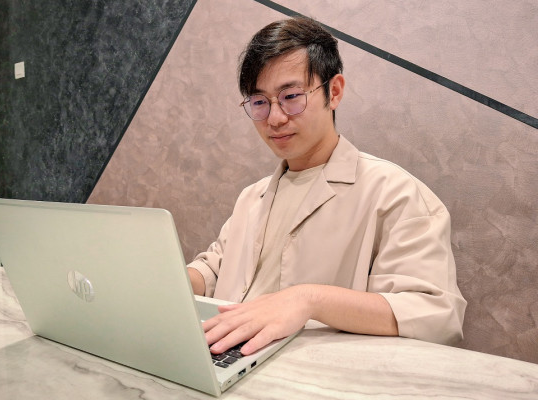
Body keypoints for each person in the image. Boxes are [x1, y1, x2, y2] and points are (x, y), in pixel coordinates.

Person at [187, 16, 466, 357]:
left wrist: (308, 299)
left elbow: (437, 314)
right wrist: (172, 279)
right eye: (259, 102)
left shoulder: (394, 193)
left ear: (333, 92)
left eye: (291, 96)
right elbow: (216, 268)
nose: (275, 118)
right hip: (222, 358)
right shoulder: (252, 196)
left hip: (313, 375)